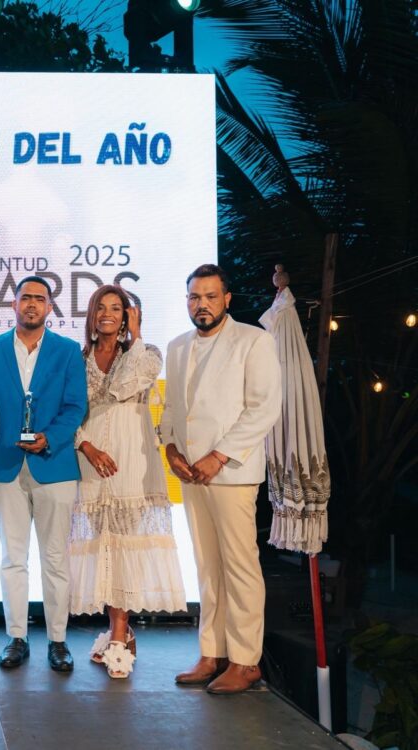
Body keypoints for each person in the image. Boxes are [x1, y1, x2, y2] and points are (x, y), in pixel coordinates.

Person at [162, 264, 281, 694]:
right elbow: (172, 408)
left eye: (211, 296)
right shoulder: (177, 346)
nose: (203, 304)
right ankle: (211, 653)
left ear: (227, 299)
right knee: (208, 566)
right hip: (191, 474)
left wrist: (219, 455)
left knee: (240, 567)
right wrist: (170, 449)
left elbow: (264, 407)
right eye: (195, 297)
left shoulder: (254, 340)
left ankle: (246, 661)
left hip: (230, 472)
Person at [68, 285, 187, 679]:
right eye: (101, 307)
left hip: (131, 461)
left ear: (127, 315)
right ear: (91, 314)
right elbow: (68, 411)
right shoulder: (77, 359)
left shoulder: (146, 353)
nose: (108, 313)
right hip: (91, 462)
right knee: (102, 547)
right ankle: (118, 629)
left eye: (116, 308)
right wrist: (85, 446)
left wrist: (135, 336)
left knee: (125, 547)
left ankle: (120, 633)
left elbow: (124, 386)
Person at [0, 276, 87, 672]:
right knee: (12, 558)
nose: (32, 304)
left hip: (55, 466)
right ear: (14, 304)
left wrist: (49, 438)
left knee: (55, 558)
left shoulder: (68, 351)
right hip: (5, 466)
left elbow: (75, 407)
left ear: (50, 307)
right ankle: (16, 637)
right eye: (26, 298)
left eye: (40, 299)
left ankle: (58, 640)